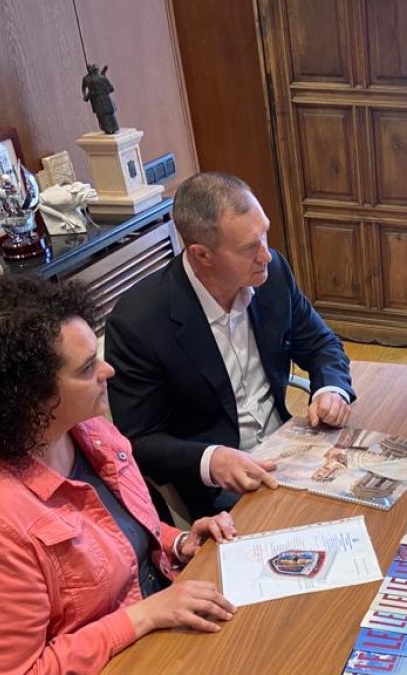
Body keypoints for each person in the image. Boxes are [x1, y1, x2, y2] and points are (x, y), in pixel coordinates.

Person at [0, 277, 239, 673]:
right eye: (88, 367)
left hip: (146, 638)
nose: (108, 370)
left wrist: (178, 541)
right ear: (28, 399)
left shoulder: (84, 428)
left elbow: (109, 531)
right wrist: (143, 616)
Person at [106, 172, 355, 519]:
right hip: (221, 490)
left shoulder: (272, 274)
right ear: (202, 255)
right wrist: (210, 459)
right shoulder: (138, 322)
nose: (266, 255)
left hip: (291, 451)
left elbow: (319, 342)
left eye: (264, 234)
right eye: (248, 247)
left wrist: (331, 388)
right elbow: (139, 440)